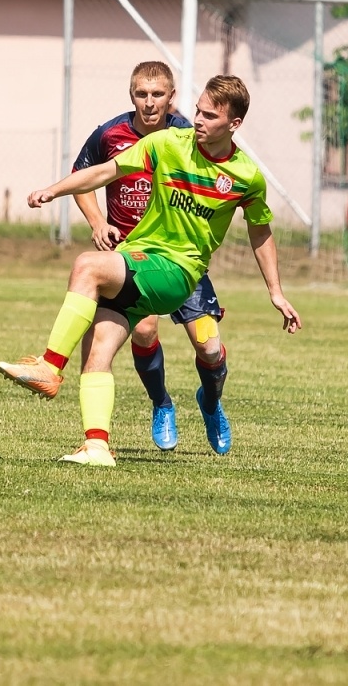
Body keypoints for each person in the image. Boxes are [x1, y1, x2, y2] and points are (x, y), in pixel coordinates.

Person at [0, 75, 301, 466]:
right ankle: (96, 446)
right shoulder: (166, 143)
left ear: (234, 123)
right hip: (140, 259)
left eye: (209, 115)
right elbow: (106, 171)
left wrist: (275, 291)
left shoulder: (246, 176)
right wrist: (55, 190)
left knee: (90, 267)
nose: (199, 120)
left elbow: (261, 232)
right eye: (198, 111)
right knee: (98, 352)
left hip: (177, 272)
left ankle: (50, 367)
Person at [72, 61, 232, 453]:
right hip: (132, 257)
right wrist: (97, 222)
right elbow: (83, 176)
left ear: (171, 97)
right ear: (132, 96)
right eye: (141, 94)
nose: (149, 102)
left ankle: (210, 403)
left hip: (180, 259)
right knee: (143, 331)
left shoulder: (188, 134)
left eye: (157, 94)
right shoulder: (109, 134)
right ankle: (161, 404)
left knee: (208, 345)